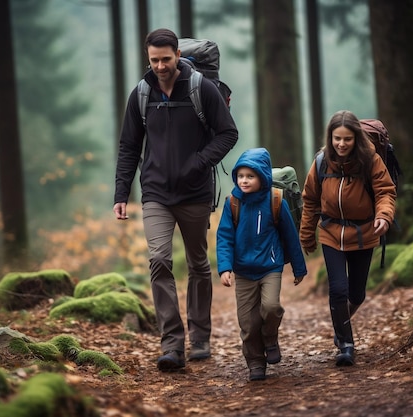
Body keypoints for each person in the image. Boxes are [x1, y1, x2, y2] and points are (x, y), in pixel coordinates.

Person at [113, 28, 238, 372]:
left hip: (195, 192)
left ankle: (200, 336)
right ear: (148, 58)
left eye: (166, 59)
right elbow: (128, 146)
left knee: (198, 264)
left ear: (177, 55)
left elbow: (228, 133)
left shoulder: (202, 89)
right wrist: (121, 193)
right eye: (154, 60)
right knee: (159, 260)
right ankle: (171, 344)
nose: (160, 66)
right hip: (154, 192)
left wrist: (198, 163)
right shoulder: (141, 94)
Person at [299, 110, 396, 366]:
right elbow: (310, 200)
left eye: (347, 139)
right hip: (331, 232)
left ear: (357, 139)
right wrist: (307, 234)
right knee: (338, 289)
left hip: (364, 233)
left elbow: (385, 191)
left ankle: (341, 323)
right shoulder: (321, 162)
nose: (341, 144)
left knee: (357, 294)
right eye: (336, 138)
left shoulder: (371, 160)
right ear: (330, 138)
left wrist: (384, 216)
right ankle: (345, 343)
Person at [216, 148, 307, 381]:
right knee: (248, 323)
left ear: (263, 177)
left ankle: (270, 336)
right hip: (244, 271)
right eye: (241, 176)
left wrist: (299, 268)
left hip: (270, 267)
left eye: (251, 176)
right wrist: (225, 267)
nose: (244, 180)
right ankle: (256, 362)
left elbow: (289, 236)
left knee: (271, 307)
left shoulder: (276, 201)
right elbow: (224, 236)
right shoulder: (233, 203)